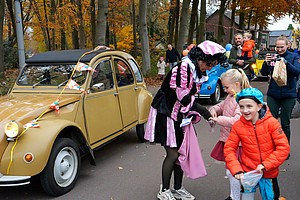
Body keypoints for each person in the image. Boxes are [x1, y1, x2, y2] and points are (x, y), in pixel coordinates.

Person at [145, 40, 227, 200]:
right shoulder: (183, 68)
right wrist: (205, 113)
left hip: (180, 116)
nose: (210, 68)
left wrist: (206, 114)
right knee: (173, 154)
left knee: (182, 152)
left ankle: (177, 188)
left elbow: (188, 100)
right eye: (210, 64)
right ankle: (164, 190)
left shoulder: (195, 70)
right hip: (167, 113)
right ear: (201, 58)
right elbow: (183, 98)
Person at [224, 87, 290, 200]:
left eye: (249, 106)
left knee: (271, 197)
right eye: (241, 106)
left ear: (259, 106)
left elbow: (283, 148)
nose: (245, 110)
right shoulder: (238, 126)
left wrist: (266, 164)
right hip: (248, 172)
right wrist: (236, 168)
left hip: (269, 172)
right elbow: (229, 148)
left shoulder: (272, 123)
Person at [209, 68, 251, 200]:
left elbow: (236, 121)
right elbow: (222, 106)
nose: (225, 90)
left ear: (237, 84)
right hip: (230, 140)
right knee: (232, 170)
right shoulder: (231, 96)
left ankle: (235, 196)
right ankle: (235, 195)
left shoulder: (242, 100)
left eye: (226, 87)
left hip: (239, 143)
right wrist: (214, 109)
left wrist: (217, 120)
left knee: (233, 171)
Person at [260, 36, 300, 150]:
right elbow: (263, 73)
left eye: (282, 47)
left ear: (287, 46)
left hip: (288, 94)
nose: (279, 49)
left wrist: (286, 63)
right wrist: (266, 63)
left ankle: (284, 148)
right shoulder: (273, 56)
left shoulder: (294, 57)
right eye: (277, 47)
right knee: (271, 122)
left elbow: (297, 72)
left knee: (285, 123)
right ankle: (271, 146)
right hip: (273, 93)